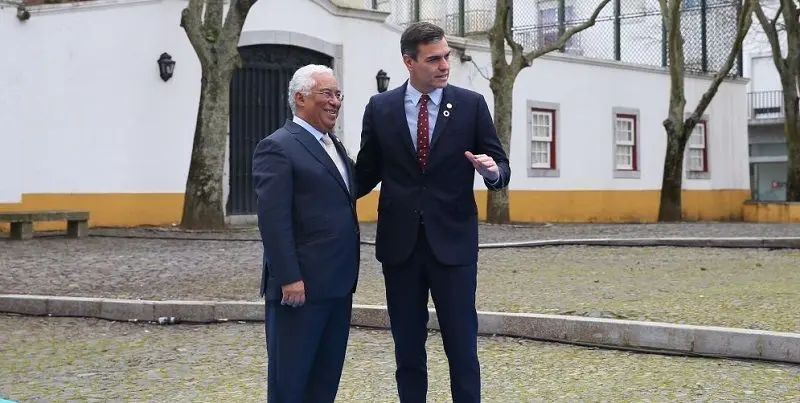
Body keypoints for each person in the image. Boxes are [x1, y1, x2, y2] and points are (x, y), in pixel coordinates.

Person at [354, 22, 511, 403]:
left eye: (446, 57)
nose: (444, 65)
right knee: (407, 351)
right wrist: (321, 185)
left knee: (462, 349)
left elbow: (501, 166)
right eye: (433, 59)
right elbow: (366, 173)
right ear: (409, 62)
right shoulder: (381, 108)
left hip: (453, 246)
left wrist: (492, 173)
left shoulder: (471, 105)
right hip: (400, 248)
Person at [252, 64, 359, 403]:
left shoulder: (334, 145)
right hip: (299, 290)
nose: (335, 102)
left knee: (323, 384)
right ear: (300, 98)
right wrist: (289, 278)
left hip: (337, 287)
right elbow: (273, 220)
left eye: (338, 94)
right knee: (290, 385)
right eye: (326, 94)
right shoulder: (278, 147)